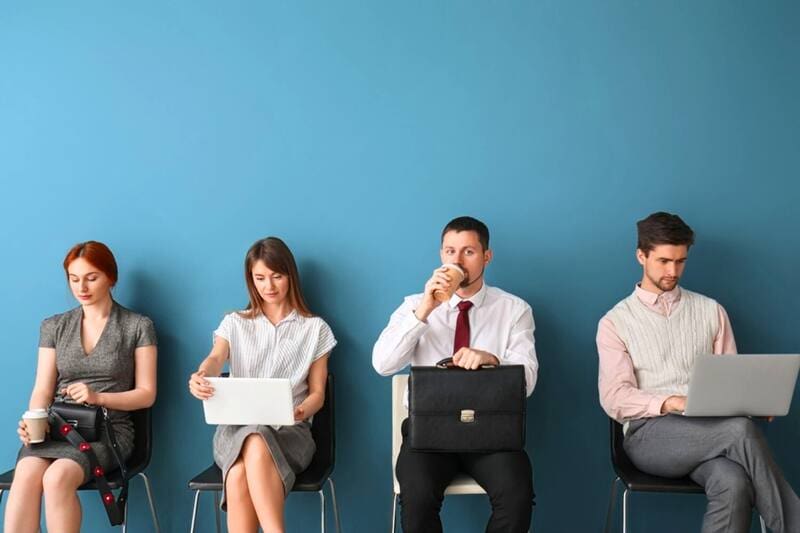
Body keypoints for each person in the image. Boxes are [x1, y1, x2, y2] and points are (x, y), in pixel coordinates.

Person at [597, 211, 800, 533]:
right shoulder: (615, 322)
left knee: (733, 482)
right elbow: (614, 398)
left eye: (680, 262)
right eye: (664, 261)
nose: (672, 271)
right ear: (641, 256)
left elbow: (731, 380)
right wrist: (672, 401)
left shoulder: (711, 311)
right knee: (738, 431)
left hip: (711, 431)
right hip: (651, 437)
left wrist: (753, 404)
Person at [373, 216, 538, 533]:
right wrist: (424, 311)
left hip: (491, 432)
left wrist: (492, 359)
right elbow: (382, 364)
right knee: (417, 499)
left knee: (517, 497)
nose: (457, 260)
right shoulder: (412, 306)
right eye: (450, 251)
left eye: (468, 252)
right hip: (429, 434)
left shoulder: (515, 309)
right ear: (440, 256)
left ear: (486, 257)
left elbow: (527, 381)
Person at [4, 241, 158, 533]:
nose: (81, 287)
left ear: (111, 278)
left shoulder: (138, 326)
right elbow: (42, 390)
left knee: (56, 477)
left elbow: (147, 394)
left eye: (91, 277)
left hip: (109, 432)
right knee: (25, 473)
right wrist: (32, 420)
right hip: (57, 427)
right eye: (74, 279)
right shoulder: (54, 326)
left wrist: (97, 397)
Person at [189, 237, 336, 533]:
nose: (269, 286)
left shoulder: (315, 329)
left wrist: (302, 408)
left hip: (291, 432)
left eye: (277, 276)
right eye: (260, 278)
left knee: (242, 467)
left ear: (290, 276)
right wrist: (202, 374)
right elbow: (216, 358)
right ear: (251, 280)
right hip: (234, 432)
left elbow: (318, 393)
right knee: (252, 439)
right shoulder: (234, 322)